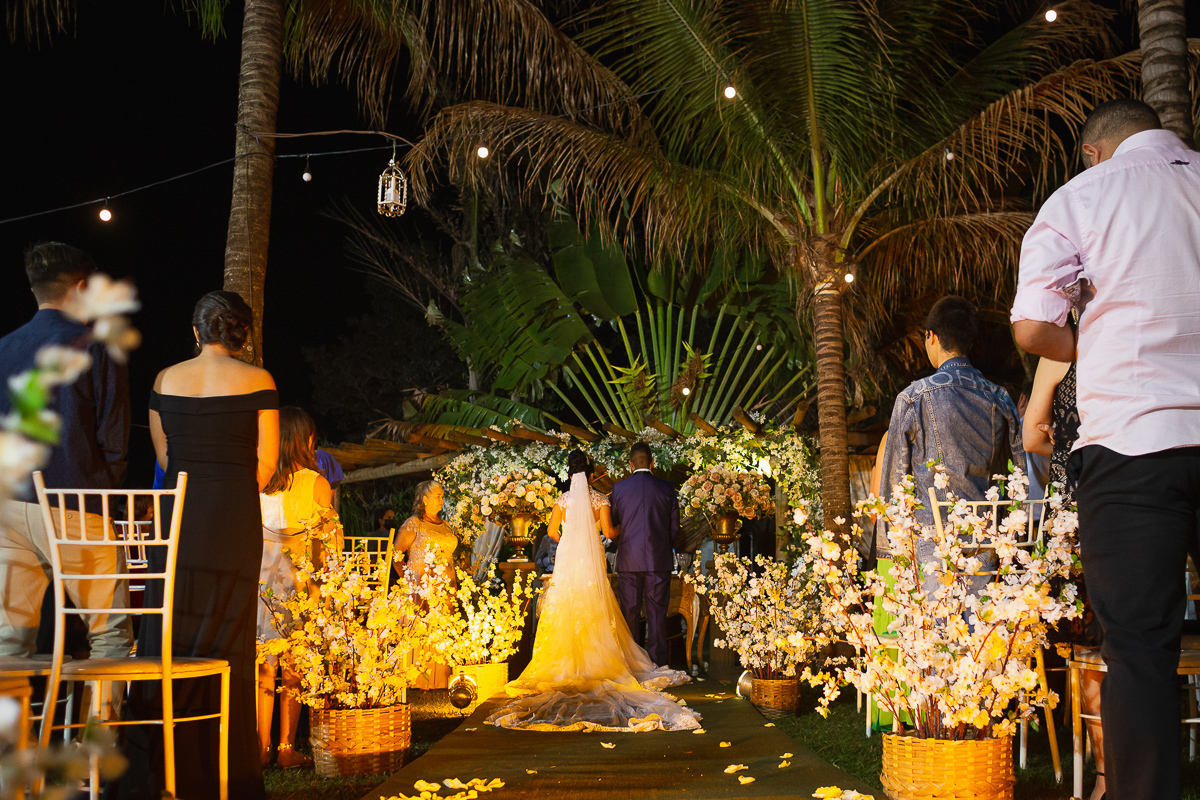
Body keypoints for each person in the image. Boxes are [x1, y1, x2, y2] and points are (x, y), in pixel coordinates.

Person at [1012, 98, 1200, 800]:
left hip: (1132, 443)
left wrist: (1094, 337)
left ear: (1095, 150)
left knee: (1141, 652)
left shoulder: (1083, 194)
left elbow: (1033, 326)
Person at [118, 291, 278, 800]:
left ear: (195, 332)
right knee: (228, 640)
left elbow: (164, 457)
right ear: (242, 334)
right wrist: (226, 489)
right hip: (231, 516)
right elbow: (266, 464)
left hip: (177, 517)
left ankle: (164, 768)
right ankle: (224, 775)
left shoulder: (166, 379)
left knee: (170, 627)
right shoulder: (259, 380)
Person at [486, 451, 698, 732]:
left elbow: (551, 532)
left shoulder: (566, 499)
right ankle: (632, 661)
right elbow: (611, 533)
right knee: (609, 605)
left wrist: (570, 540)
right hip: (610, 558)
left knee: (576, 606)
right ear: (590, 470)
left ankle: (570, 663)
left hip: (572, 560)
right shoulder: (602, 498)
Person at [0, 242, 132, 663]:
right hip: (75, 500)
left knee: (10, 641)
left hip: (8, 505)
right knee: (109, 634)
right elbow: (114, 433)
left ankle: (12, 732)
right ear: (79, 286)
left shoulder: (3, 348)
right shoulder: (94, 344)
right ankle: (98, 732)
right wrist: (102, 486)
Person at [1024, 354, 1105, 800]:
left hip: (1076, 507)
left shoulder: (1060, 354)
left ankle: (1106, 775)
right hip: (1125, 498)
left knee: (1090, 644)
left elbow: (1031, 435)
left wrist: (1066, 442)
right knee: (1107, 640)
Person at [257, 407, 340, 770]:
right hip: (300, 585)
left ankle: (261, 747)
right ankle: (287, 747)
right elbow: (331, 545)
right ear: (306, 441)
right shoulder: (316, 484)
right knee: (293, 666)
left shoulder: (258, 481)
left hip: (261, 584)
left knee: (264, 664)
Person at [608, 442, 680, 668]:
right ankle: (658, 664)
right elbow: (674, 527)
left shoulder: (619, 489)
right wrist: (661, 544)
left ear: (631, 464)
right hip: (659, 560)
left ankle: (632, 663)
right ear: (652, 462)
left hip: (629, 558)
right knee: (657, 613)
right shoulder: (667, 488)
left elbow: (614, 524)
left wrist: (625, 543)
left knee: (629, 613)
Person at [394, 480, 457, 689]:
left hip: (445, 587)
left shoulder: (445, 525)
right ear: (425, 499)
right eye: (438, 496)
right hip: (420, 586)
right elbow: (395, 556)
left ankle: (440, 679)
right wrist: (411, 583)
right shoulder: (414, 523)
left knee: (440, 631)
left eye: (442, 496)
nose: (442, 500)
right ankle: (417, 679)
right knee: (421, 630)